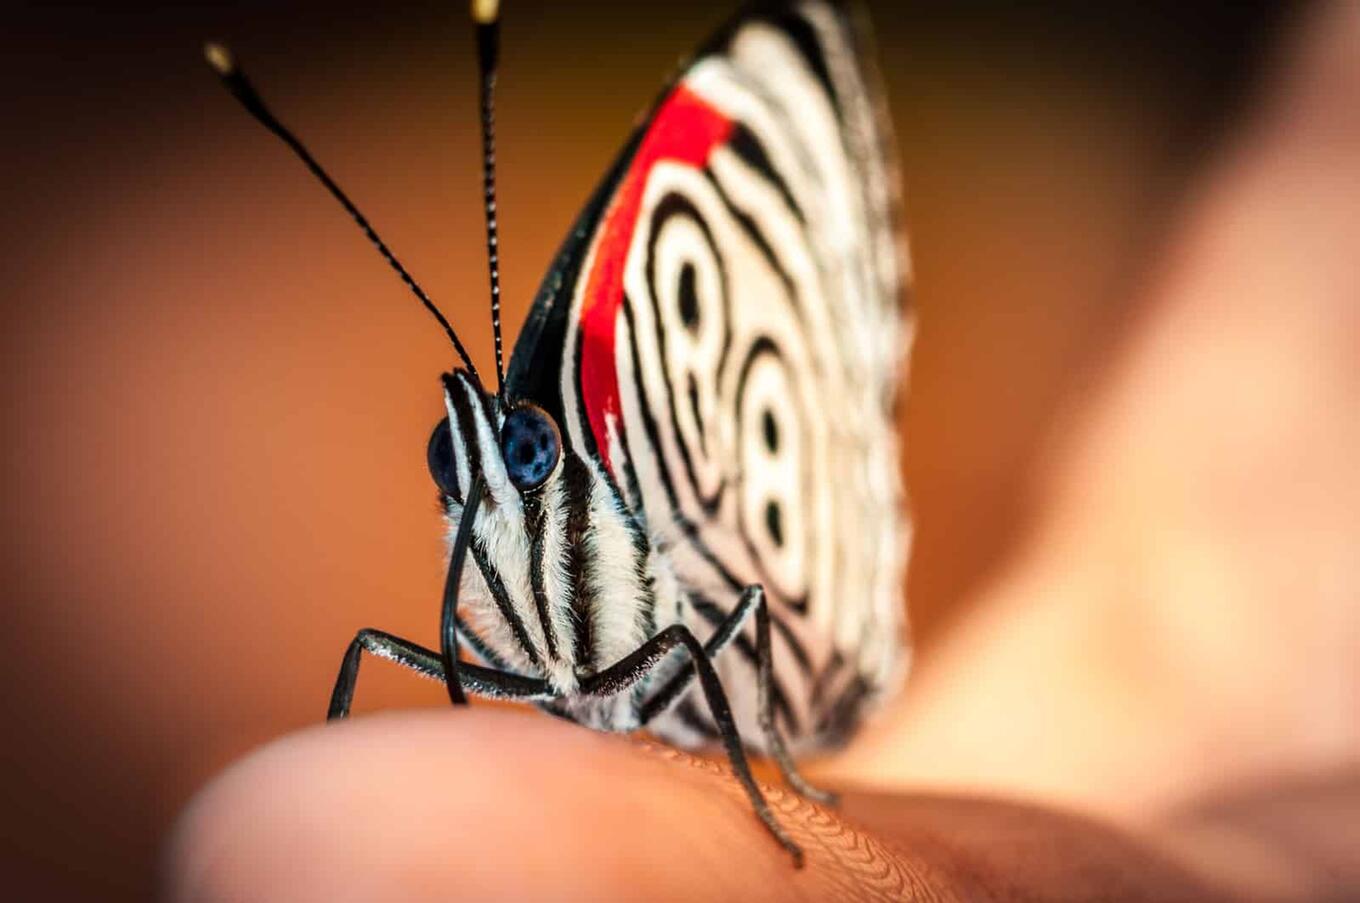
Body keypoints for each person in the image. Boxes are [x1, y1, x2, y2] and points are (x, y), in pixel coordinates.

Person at [164, 3, 1360, 898]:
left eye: (518, 458)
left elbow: (683, 623)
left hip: (768, 623)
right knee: (381, 665)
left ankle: (749, 778)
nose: (478, 487)